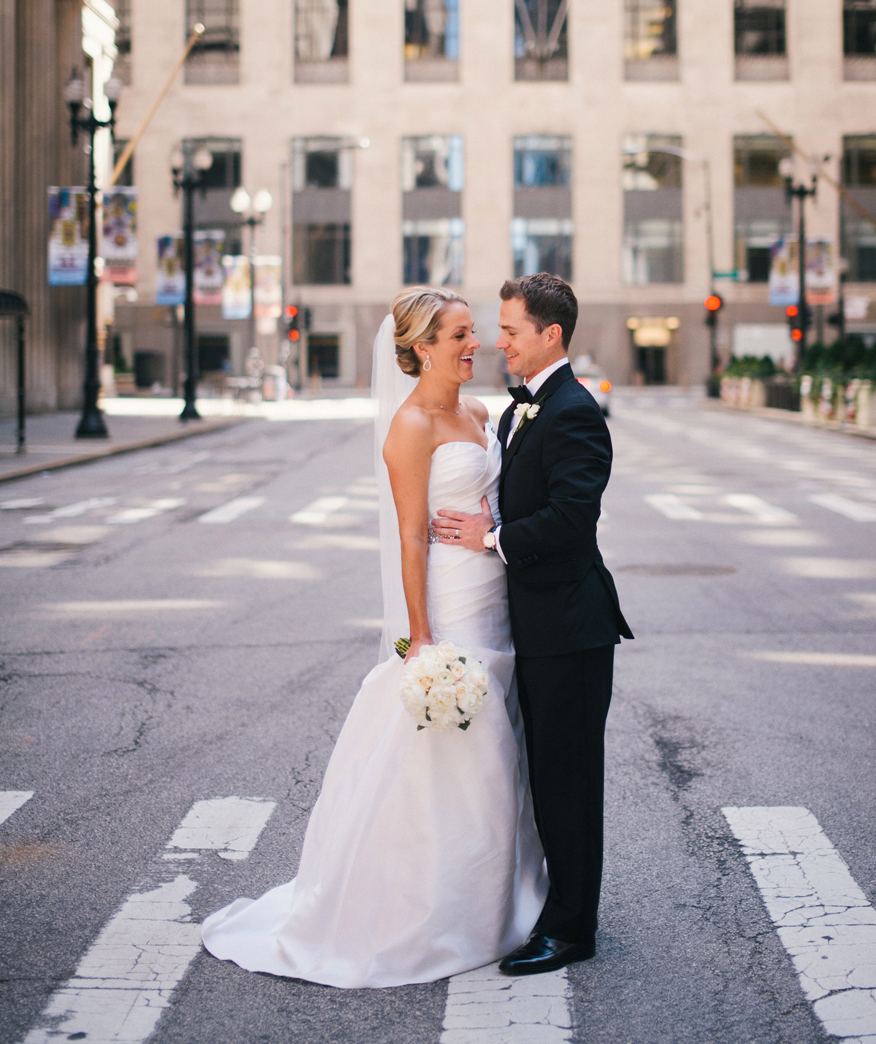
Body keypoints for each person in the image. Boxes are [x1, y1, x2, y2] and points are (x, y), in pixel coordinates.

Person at [200, 286, 546, 988]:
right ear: (422, 349)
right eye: (458, 336)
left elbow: (500, 502)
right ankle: (439, 904)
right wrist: (421, 636)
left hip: (495, 593)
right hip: (449, 600)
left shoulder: (480, 411)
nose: (473, 344)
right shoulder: (410, 427)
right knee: (459, 749)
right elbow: (410, 537)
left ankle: (501, 888)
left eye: (474, 332)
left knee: (501, 746)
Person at [432, 272, 633, 975]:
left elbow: (572, 520)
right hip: (538, 626)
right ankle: (557, 901)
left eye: (511, 329)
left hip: (571, 631)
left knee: (567, 781)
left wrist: (490, 539)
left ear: (550, 335)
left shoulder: (574, 410)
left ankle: (573, 927)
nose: (498, 340)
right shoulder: (525, 408)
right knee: (545, 775)